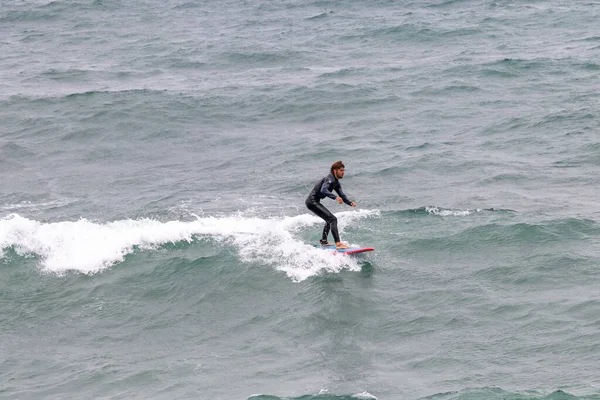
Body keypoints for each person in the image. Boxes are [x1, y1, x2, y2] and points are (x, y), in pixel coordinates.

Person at [305, 160, 357, 249]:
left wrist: (350, 202)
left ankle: (324, 241)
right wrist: (335, 197)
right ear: (335, 170)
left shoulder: (336, 182)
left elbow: (342, 195)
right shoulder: (329, 179)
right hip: (312, 201)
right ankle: (338, 244)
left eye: (343, 170)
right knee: (333, 219)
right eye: (341, 170)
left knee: (329, 219)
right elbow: (323, 190)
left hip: (314, 202)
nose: (343, 172)